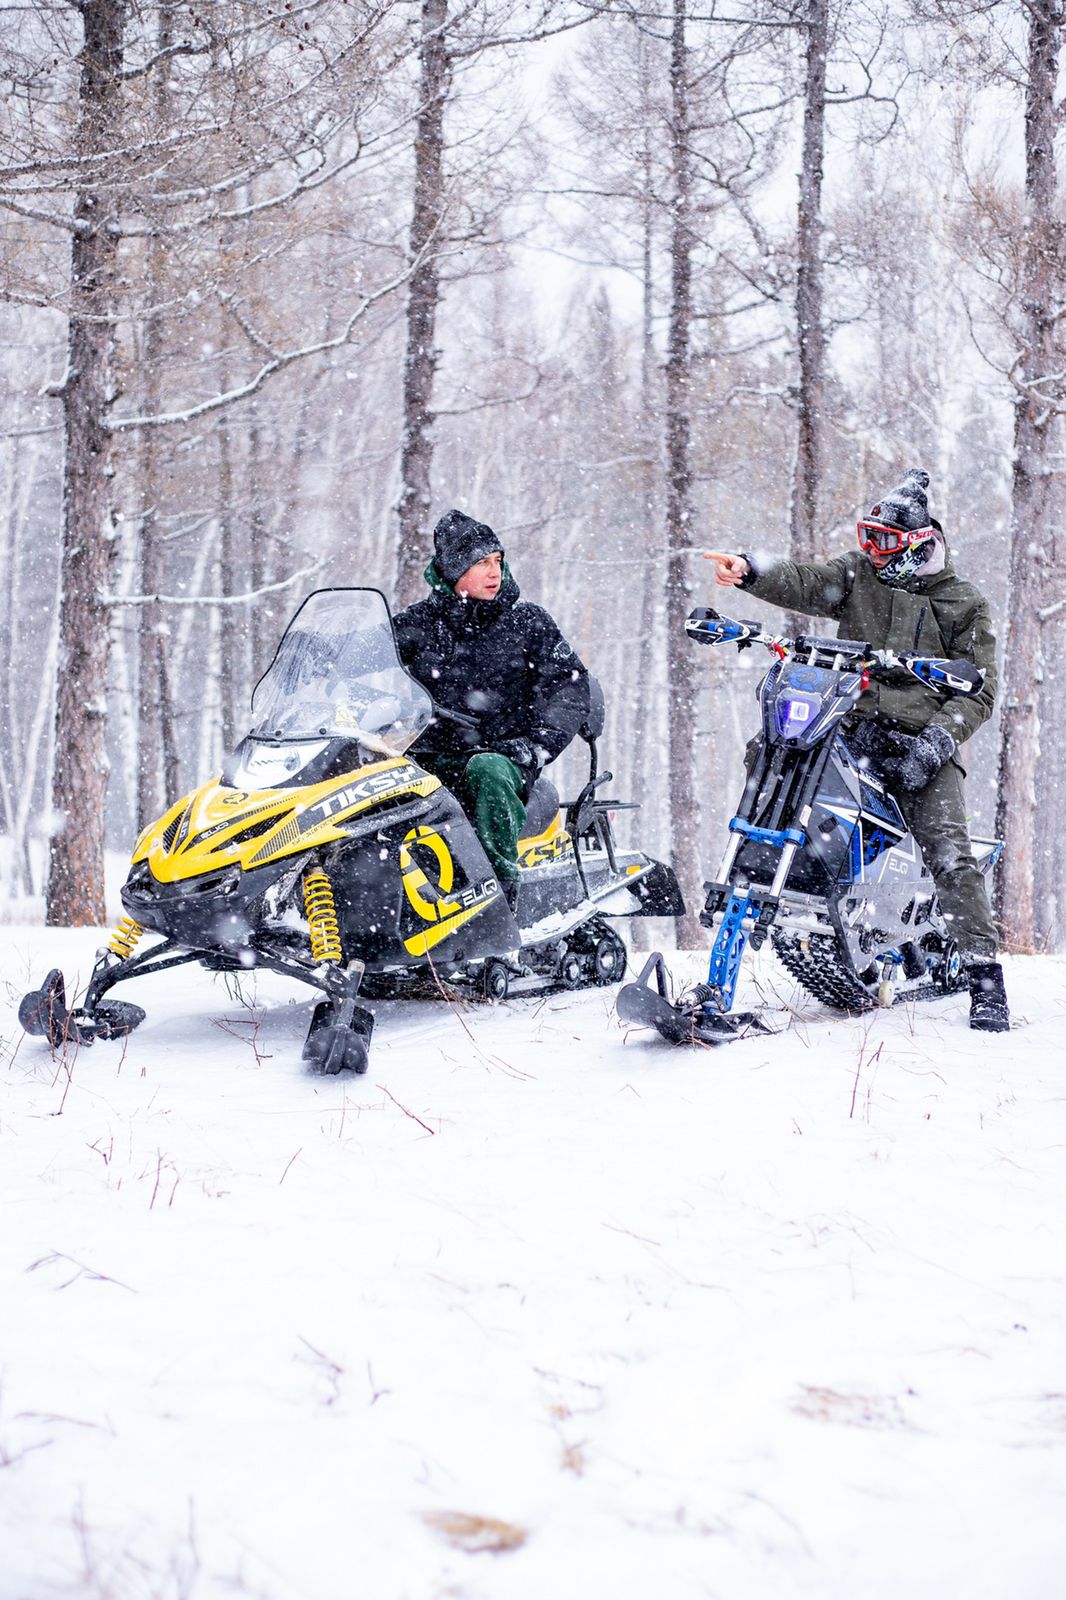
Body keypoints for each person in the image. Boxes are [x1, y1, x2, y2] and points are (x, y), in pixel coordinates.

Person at [704, 467, 1009, 1033]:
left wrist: (936, 741)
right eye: (867, 537)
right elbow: (807, 582)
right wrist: (751, 571)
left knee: (948, 849)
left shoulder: (963, 602)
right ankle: (797, 881)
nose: (871, 550)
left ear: (918, 544)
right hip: (850, 723)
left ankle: (986, 980)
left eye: (884, 541)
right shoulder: (858, 573)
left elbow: (979, 689)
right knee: (770, 754)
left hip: (919, 738)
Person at [393, 508, 590, 903]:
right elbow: (366, 656)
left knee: (487, 770)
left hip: (503, 758)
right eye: (481, 562)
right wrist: (321, 654)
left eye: (497, 561)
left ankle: (499, 900)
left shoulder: (528, 622)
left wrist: (535, 746)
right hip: (427, 757)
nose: (494, 572)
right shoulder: (418, 623)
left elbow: (569, 689)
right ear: (454, 571)